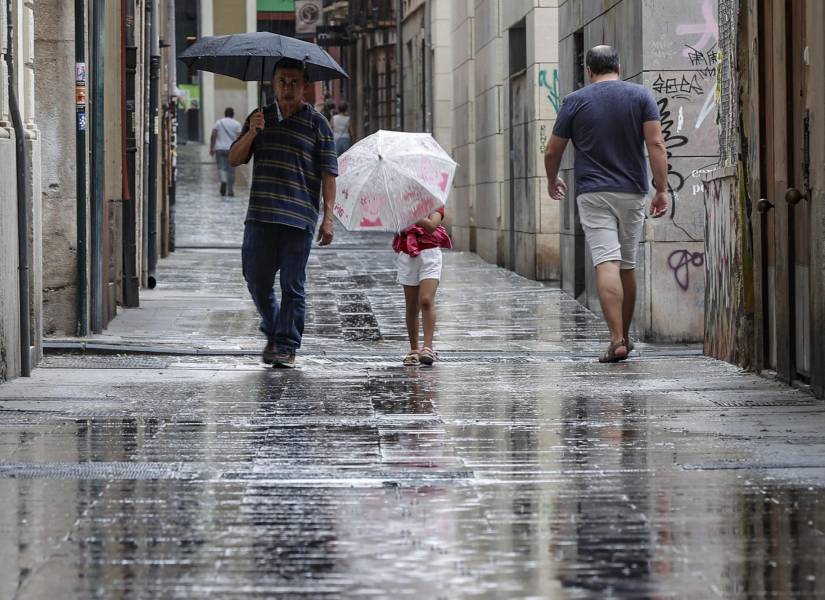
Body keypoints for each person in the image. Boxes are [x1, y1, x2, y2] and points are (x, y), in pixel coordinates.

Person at [543, 45, 669, 363]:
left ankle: (615, 339)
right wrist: (662, 189)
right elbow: (655, 142)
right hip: (633, 191)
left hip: (593, 192)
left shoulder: (574, 101)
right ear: (619, 66)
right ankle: (625, 335)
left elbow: (551, 151)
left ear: (589, 70)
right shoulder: (641, 96)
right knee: (627, 264)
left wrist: (552, 179)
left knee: (606, 262)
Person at [228, 58, 338, 368]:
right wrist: (252, 132)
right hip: (261, 216)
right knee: (255, 279)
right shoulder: (259, 117)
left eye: (294, 82)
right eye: (282, 81)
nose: (287, 87)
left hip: (299, 218)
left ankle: (287, 345)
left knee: (293, 286)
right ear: (273, 83)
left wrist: (328, 217)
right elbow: (234, 160)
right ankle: (274, 327)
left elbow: (329, 174)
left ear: (305, 86)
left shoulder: (319, 124)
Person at [393, 207, 452, 366]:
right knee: (412, 306)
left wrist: (411, 216)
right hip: (408, 255)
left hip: (430, 254)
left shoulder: (434, 201)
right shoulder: (400, 202)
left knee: (426, 299)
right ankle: (414, 350)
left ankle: (427, 348)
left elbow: (432, 225)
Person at [210, 107, 243, 196]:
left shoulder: (219, 122)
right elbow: (240, 137)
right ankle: (231, 190)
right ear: (233, 114)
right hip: (232, 149)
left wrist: (211, 148)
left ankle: (223, 180)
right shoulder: (237, 124)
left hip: (219, 148)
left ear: (225, 113)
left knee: (221, 167)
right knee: (231, 170)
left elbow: (213, 135)